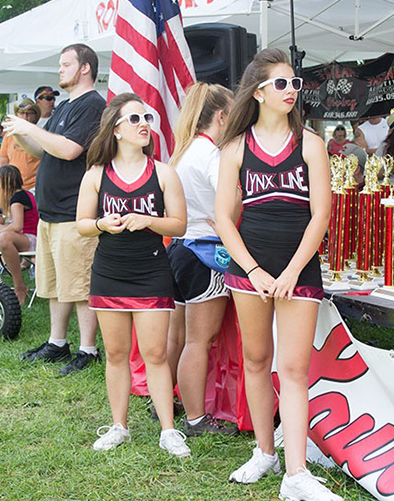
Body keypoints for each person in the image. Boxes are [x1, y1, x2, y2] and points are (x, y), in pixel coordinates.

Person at [215, 48, 341, 500]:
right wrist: (253, 270)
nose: (291, 91)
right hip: (249, 272)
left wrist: (289, 272)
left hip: (298, 270)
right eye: (282, 84)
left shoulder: (310, 143)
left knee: (292, 369)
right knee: (255, 360)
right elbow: (224, 219)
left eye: (295, 84)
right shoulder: (235, 147)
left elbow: (320, 216)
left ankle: (296, 474)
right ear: (259, 91)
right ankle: (264, 452)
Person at [75, 92, 190, 456]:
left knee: (155, 354)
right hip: (109, 274)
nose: (144, 125)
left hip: (152, 272)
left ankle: (169, 430)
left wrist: (148, 220)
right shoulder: (96, 175)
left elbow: (180, 225)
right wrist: (100, 224)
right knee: (116, 354)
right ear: (116, 130)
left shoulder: (163, 172)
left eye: (147, 119)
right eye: (135, 120)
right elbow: (81, 224)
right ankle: (119, 426)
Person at [3, 43, 106, 375]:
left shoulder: (92, 105)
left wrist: (30, 127)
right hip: (51, 212)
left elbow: (69, 150)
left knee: (79, 286)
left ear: (85, 68)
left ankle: (88, 350)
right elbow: (43, 148)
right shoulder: (64, 107)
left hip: (75, 211)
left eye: (65, 64)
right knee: (57, 284)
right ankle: (57, 343)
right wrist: (19, 133)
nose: (59, 70)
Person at [165, 82, 239, 437]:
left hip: (178, 250)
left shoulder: (183, 152)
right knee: (199, 341)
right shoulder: (212, 155)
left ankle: (164, 403)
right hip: (205, 252)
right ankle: (196, 419)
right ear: (222, 116)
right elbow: (231, 201)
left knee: (176, 338)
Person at [0, 164, 39, 305]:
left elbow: (17, 226)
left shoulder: (18, 198)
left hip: (32, 238)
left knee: (4, 238)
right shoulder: (22, 195)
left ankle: (19, 286)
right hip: (23, 237)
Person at [0, 98, 41, 191]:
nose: (25, 116)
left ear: (36, 116)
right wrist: (1, 181)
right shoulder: (9, 135)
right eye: (22, 113)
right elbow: (3, 160)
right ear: (17, 115)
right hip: (12, 185)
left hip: (34, 187)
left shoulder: (40, 135)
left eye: (29, 113)